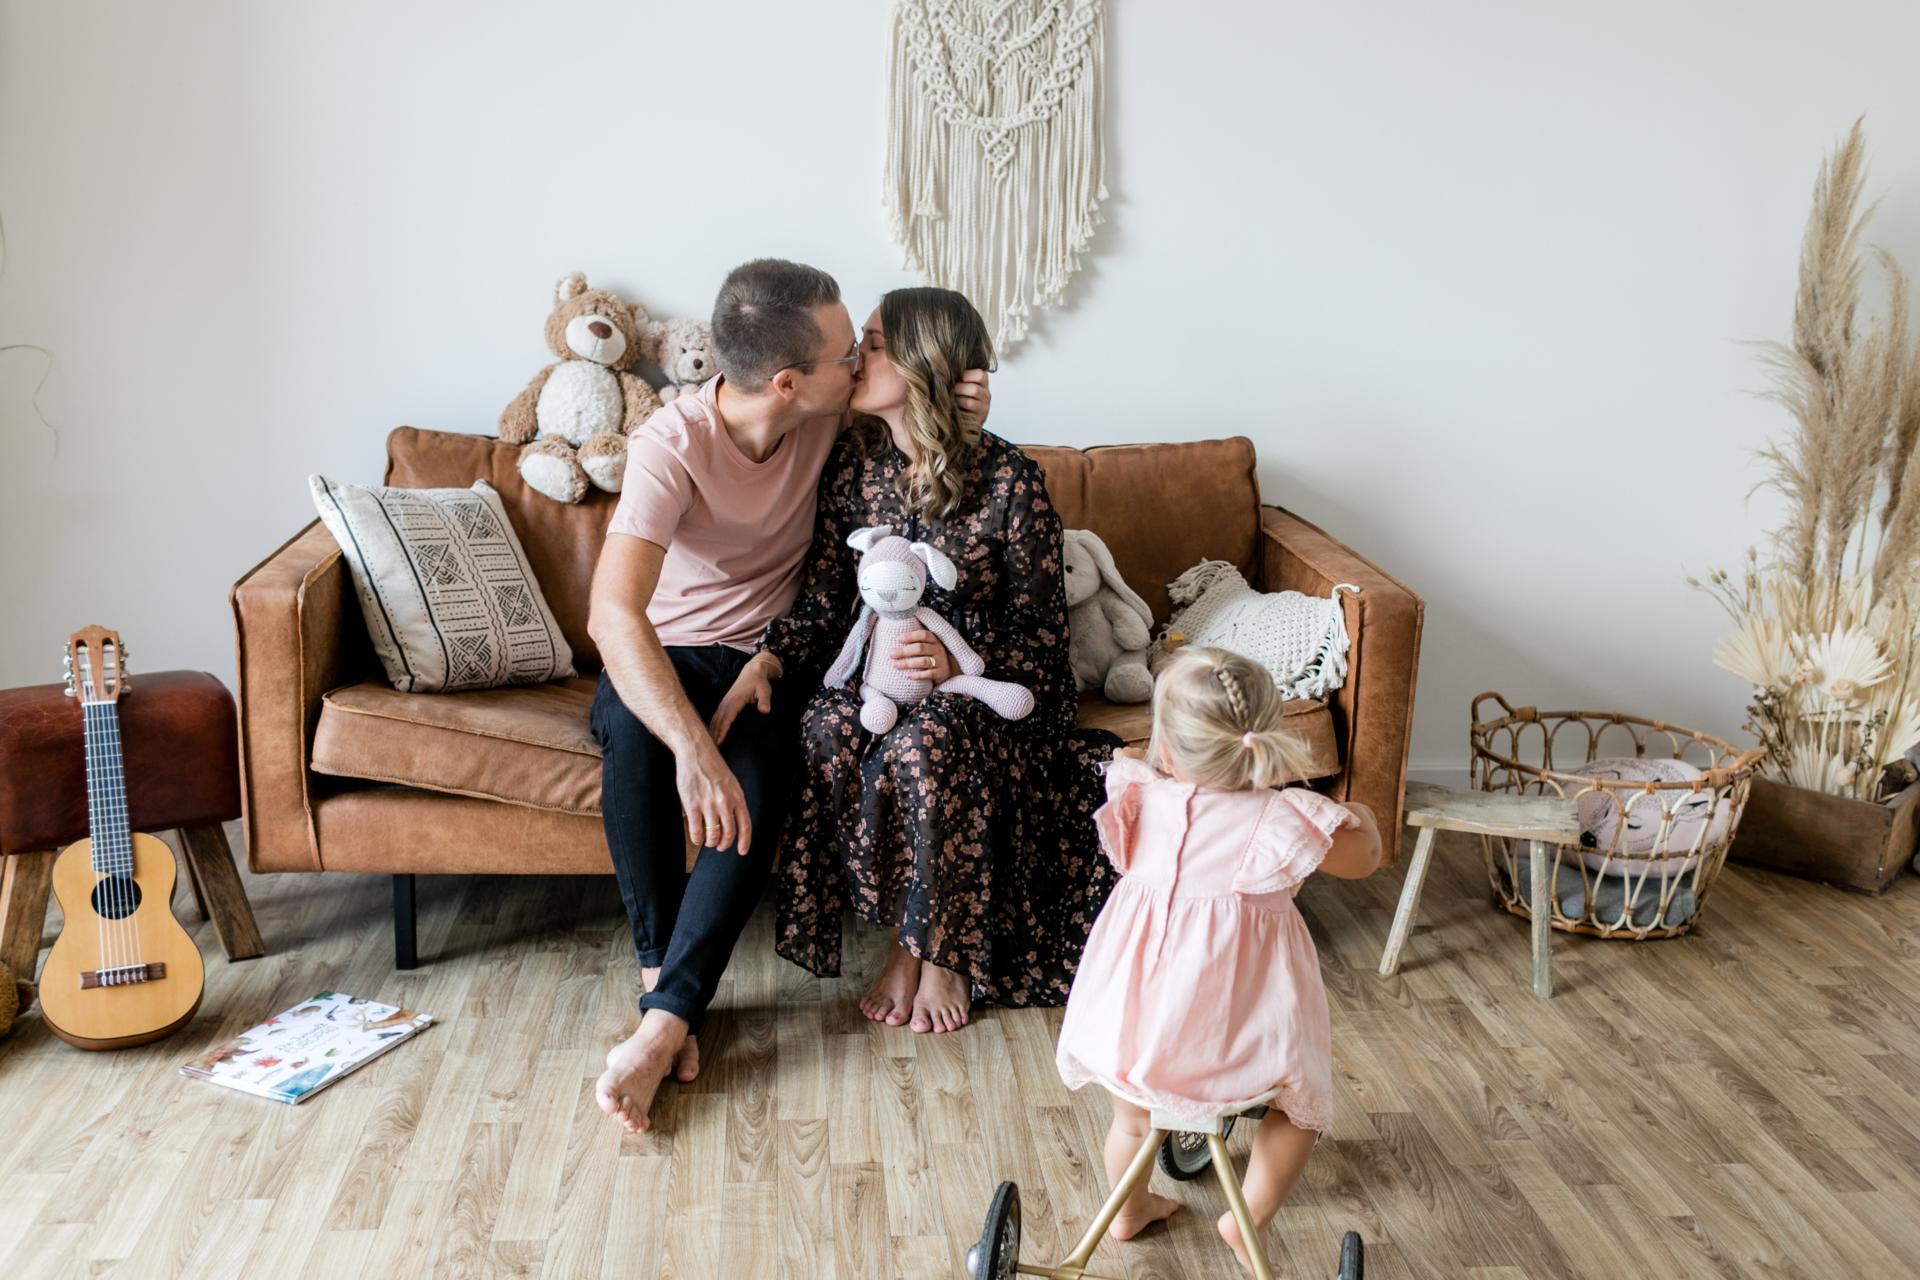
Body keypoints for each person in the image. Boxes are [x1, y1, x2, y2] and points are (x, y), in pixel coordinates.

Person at [587, 261, 987, 1133]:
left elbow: (921, 408)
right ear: (787, 383)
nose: (859, 363)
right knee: (632, 733)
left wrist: (966, 394)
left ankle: (663, 1021)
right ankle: (666, 1000)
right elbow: (613, 616)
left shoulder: (831, 415)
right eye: (848, 354)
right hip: (669, 650)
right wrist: (692, 748)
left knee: (758, 781)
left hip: (772, 659)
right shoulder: (670, 445)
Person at [727, 286, 1120, 1035]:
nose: (856, 356)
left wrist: (956, 663)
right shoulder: (853, 464)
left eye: (875, 344)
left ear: (922, 362)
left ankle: (936, 953)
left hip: (990, 693)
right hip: (884, 679)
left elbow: (1044, 641)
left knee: (927, 739)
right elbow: (828, 597)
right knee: (826, 726)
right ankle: (913, 939)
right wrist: (770, 659)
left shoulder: (1009, 479)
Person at [1053, 646, 1383, 1270]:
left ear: (1169, 751)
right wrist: (1359, 814)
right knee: (1298, 1108)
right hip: (1233, 1036)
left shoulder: (1142, 797)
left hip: (1133, 1030)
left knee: (1132, 1121)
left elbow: (1128, 768)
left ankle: (1127, 1209)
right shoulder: (1285, 820)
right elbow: (1366, 857)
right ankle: (1245, 1218)